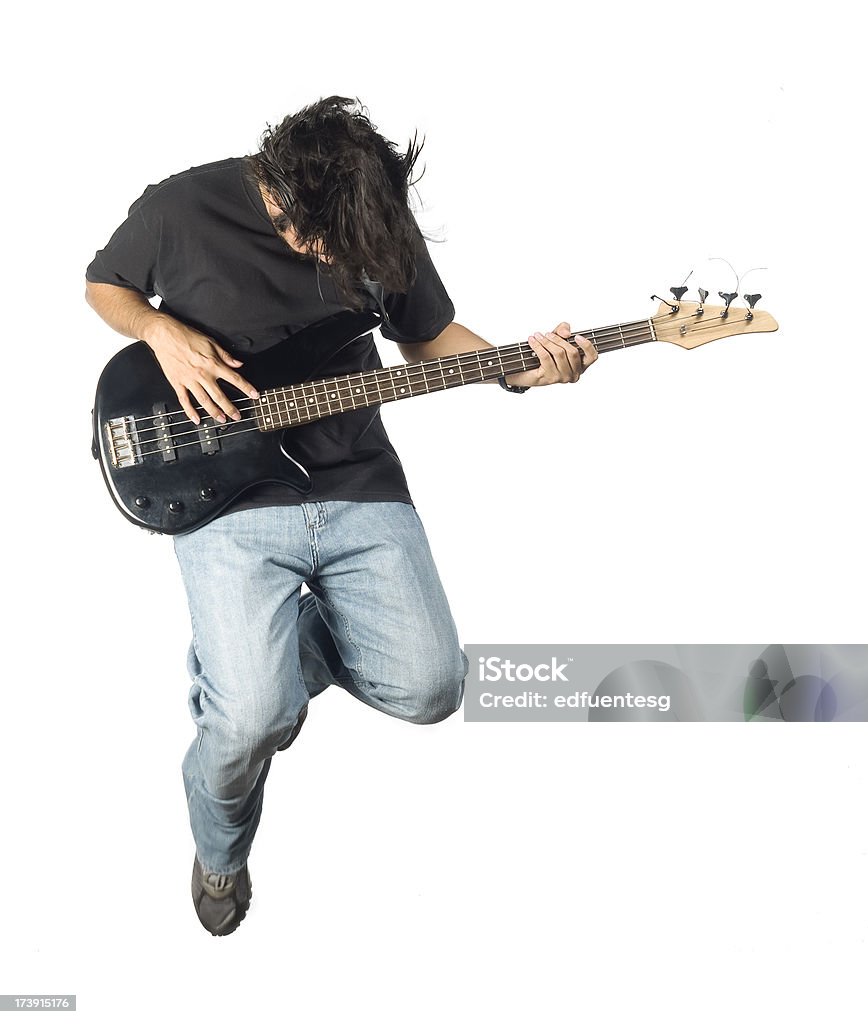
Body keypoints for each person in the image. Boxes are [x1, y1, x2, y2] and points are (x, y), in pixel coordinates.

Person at [85, 95, 597, 937]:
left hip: (358, 481)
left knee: (432, 689)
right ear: (277, 193)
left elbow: (426, 340)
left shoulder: (373, 222)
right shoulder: (180, 207)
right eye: (318, 242)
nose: (336, 257)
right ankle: (220, 852)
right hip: (227, 491)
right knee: (250, 723)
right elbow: (104, 285)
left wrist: (521, 370)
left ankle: (264, 665)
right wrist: (160, 332)